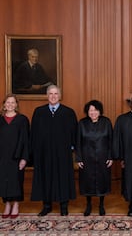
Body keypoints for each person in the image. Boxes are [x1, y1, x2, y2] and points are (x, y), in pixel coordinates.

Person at [30, 85, 78, 216]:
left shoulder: (68, 112)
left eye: (56, 94)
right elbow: (33, 134)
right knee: (45, 177)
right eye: (50, 94)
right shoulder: (39, 112)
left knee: (63, 177)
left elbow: (74, 133)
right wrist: (34, 152)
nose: (53, 96)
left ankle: (64, 205)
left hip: (62, 153)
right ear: (47, 95)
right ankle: (47, 205)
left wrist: (72, 148)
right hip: (44, 153)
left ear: (60, 96)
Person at [75, 100, 113, 216]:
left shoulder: (106, 122)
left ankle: (101, 205)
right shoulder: (82, 123)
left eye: (95, 110)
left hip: (103, 158)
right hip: (87, 158)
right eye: (91, 110)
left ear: (100, 111)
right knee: (87, 182)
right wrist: (79, 158)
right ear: (87, 111)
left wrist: (110, 157)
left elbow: (111, 141)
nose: (93, 112)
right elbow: (78, 142)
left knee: (102, 181)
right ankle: (89, 205)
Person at [0, 94, 29, 219]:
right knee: (3, 181)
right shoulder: (0, 119)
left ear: (16, 105)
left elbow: (26, 140)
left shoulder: (22, 119)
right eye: (8, 102)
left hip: (17, 156)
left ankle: (16, 204)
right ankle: (7, 204)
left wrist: (24, 158)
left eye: (13, 102)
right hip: (2, 156)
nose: (10, 104)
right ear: (4, 104)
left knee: (16, 181)